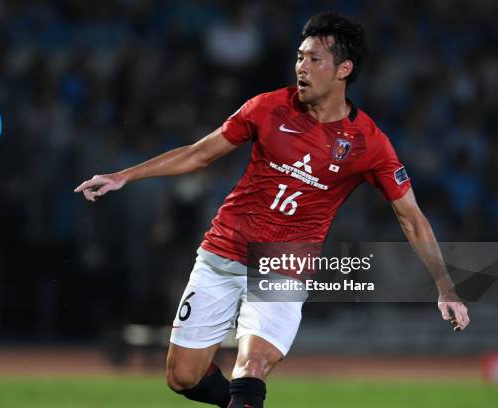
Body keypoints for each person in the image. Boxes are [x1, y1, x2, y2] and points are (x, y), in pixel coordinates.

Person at [74, 12, 470, 408]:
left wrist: (444, 285)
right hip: (222, 252)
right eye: (300, 57)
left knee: (253, 364)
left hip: (284, 264)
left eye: (315, 59)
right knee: (182, 377)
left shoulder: (369, 142)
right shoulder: (267, 108)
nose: (302, 67)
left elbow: (411, 217)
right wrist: (124, 176)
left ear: (343, 70)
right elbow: (198, 154)